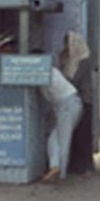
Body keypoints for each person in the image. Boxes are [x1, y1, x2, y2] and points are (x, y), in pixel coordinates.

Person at [34, 48, 83, 184]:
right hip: (68, 105)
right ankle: (55, 167)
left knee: (62, 140)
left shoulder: (45, 72)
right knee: (54, 139)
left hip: (68, 105)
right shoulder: (47, 71)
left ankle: (60, 173)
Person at [61, 32, 94, 175]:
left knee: (83, 134)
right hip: (70, 100)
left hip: (83, 100)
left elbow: (75, 80)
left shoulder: (84, 60)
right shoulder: (67, 59)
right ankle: (74, 165)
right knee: (73, 134)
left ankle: (86, 166)